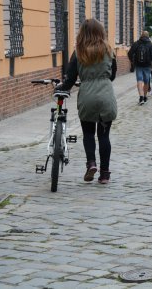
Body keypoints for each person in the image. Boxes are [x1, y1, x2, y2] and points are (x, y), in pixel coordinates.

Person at [59, 18, 117, 184]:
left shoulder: (78, 52)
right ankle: (105, 174)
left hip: (87, 95)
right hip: (106, 95)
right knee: (104, 136)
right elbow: (112, 75)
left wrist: (62, 89)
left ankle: (91, 163)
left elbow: (70, 79)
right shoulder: (109, 51)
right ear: (101, 32)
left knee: (88, 133)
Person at [128, 31, 152, 105]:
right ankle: (145, 96)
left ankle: (141, 97)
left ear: (141, 35)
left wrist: (132, 61)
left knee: (139, 80)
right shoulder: (150, 44)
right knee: (146, 81)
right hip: (147, 65)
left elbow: (130, 53)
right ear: (148, 36)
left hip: (138, 65)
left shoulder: (136, 43)